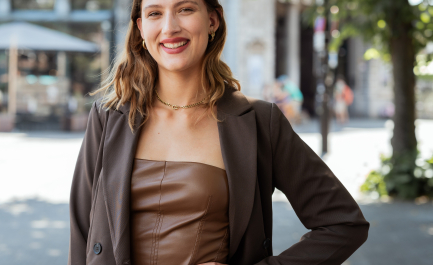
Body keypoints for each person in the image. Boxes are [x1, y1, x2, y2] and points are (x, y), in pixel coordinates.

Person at [69, 1, 369, 265]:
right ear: (141, 28)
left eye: (185, 9)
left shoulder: (259, 122)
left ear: (212, 20)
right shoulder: (109, 118)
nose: (169, 27)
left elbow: (343, 223)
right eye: (155, 13)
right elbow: (82, 232)